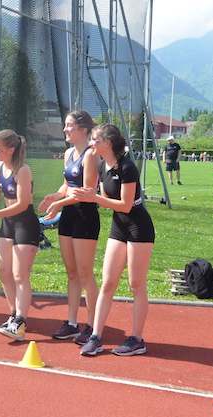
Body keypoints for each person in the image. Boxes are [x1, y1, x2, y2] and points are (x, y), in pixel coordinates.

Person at [75, 123, 155, 356]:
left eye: (94, 140)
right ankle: (96, 336)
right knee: (108, 282)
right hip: (119, 226)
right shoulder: (102, 165)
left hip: (139, 226)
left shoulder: (128, 167)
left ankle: (137, 339)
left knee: (136, 284)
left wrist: (94, 198)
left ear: (107, 143)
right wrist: (92, 197)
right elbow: (107, 200)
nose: (91, 143)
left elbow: (126, 205)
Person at [38, 110, 100, 345]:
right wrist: (54, 196)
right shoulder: (68, 153)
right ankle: (72, 323)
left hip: (85, 217)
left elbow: (85, 192)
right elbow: (67, 185)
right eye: (65, 125)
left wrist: (58, 204)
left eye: (70, 126)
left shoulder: (91, 155)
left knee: (85, 273)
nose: (65, 129)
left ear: (83, 129)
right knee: (72, 272)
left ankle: (93, 326)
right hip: (68, 216)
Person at [0, 130, 39, 341]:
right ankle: (13, 315)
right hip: (8, 222)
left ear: (11, 150)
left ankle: (20, 322)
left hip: (25, 223)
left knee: (20, 275)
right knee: (3, 271)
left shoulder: (23, 170)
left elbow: (22, 204)